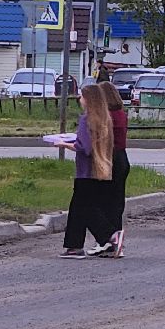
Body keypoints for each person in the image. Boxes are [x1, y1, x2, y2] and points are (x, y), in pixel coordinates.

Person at [59, 83, 115, 258]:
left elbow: (84, 147)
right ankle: (78, 245)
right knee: (82, 208)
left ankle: (109, 236)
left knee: (83, 208)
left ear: (89, 99)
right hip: (98, 169)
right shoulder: (104, 119)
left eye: (82, 96)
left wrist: (64, 144)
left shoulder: (86, 119)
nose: (80, 99)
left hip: (84, 171)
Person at [97, 82, 132, 257]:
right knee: (117, 202)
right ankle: (117, 241)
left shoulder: (107, 116)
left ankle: (109, 241)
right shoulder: (121, 114)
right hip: (122, 158)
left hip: (110, 158)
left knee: (104, 201)